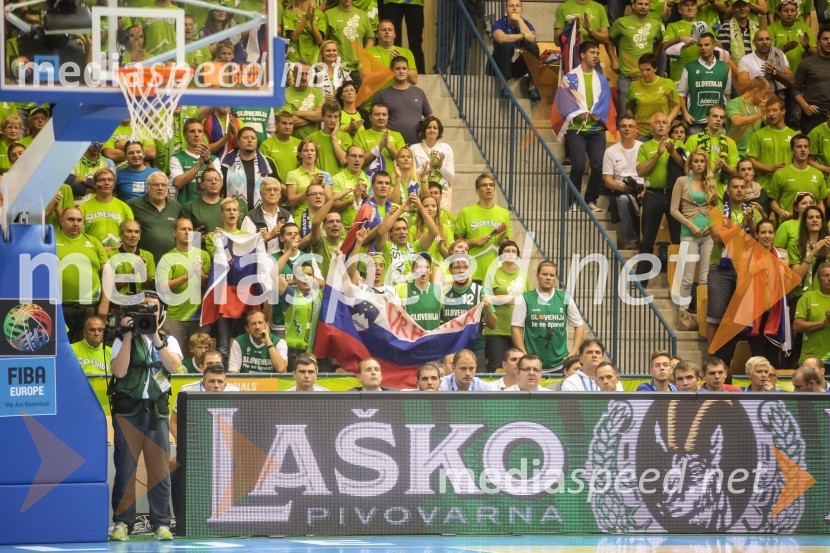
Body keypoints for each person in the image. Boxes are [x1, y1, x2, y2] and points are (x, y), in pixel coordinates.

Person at [109, 291, 182, 542]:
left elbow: (174, 367)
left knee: (159, 470)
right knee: (126, 470)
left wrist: (155, 338)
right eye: (145, 308)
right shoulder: (121, 338)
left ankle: (161, 523)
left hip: (157, 414)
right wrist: (129, 335)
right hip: (128, 414)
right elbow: (119, 372)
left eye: (154, 308)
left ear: (162, 312)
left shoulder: (169, 340)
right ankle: (122, 523)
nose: (150, 312)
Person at [706, 176, 763, 362]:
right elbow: (717, 238)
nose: (739, 190)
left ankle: (734, 360)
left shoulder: (752, 211)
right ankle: (711, 358)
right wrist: (741, 225)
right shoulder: (716, 211)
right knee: (716, 316)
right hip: (720, 268)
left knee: (740, 318)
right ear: (728, 191)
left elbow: (759, 236)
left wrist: (752, 223)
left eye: (742, 187)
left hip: (746, 268)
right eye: (735, 187)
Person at [670, 149, 718, 327]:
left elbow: (715, 209)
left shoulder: (711, 182)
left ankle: (703, 314)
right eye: (696, 161)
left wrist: (709, 226)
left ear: (706, 164)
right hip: (688, 233)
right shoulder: (682, 181)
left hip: (708, 234)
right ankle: (683, 314)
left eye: (702, 161)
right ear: (690, 163)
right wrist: (692, 226)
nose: (699, 164)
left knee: (706, 277)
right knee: (687, 277)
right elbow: (673, 209)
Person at [511, 260, 585, 372]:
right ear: (537, 276)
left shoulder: (565, 298)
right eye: (544, 274)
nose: (548, 278)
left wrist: (574, 352)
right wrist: (525, 355)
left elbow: (579, 325)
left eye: (552, 275)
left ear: (555, 278)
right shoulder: (524, 298)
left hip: (561, 364)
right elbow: (515, 329)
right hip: (533, 365)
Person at [562, 41, 609, 213]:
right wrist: (576, 113)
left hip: (596, 130)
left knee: (597, 166)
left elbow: (605, 101)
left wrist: (599, 115)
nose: (596, 55)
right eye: (592, 52)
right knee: (579, 166)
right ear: (582, 55)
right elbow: (563, 101)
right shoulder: (570, 77)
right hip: (577, 129)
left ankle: (590, 199)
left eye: (597, 53)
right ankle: (572, 201)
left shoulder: (602, 79)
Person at [636, 112, 683, 279]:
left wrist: (673, 153)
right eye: (657, 122)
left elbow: (687, 168)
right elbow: (640, 171)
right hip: (653, 195)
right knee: (647, 239)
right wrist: (658, 154)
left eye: (665, 122)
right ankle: (642, 280)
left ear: (669, 127)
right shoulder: (645, 146)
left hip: (674, 196)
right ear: (651, 127)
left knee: (678, 239)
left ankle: (678, 279)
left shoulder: (678, 144)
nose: (661, 125)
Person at [155, 218, 211, 358]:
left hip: (200, 316)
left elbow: (210, 286)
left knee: (201, 357)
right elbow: (163, 288)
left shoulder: (203, 255)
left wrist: (199, 274)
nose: (187, 232)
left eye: (190, 229)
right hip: (174, 317)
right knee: (173, 356)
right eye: (183, 229)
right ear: (174, 233)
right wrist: (186, 276)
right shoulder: (167, 258)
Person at [56, 207, 108, 342]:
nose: (75, 224)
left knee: (87, 346)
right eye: (71, 219)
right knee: (60, 346)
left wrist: (104, 303)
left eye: (79, 220)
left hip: (89, 307)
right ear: (61, 221)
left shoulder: (94, 242)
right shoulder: (51, 240)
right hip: (60, 306)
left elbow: (108, 274)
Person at [454, 173, 512, 282]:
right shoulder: (466, 213)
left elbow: (506, 245)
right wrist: (473, 241)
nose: (488, 187)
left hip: (495, 273)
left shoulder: (504, 213)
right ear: (477, 190)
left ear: (494, 189)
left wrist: (501, 240)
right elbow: (456, 243)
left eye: (491, 185)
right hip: (472, 272)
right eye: (484, 185)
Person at [610, 0, 662, 118]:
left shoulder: (655, 24)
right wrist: (613, 58)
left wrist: (654, 59)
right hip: (626, 77)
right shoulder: (621, 22)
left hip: (647, 78)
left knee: (646, 115)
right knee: (624, 116)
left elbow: (660, 42)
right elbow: (609, 40)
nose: (643, 7)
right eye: (640, 4)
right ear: (633, 6)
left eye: (646, 4)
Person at [443, 254, 497, 364]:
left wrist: (487, 308)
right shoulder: (444, 292)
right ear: (450, 270)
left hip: (475, 350)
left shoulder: (481, 291)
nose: (461, 271)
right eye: (457, 267)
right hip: (451, 349)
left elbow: (493, 325)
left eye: (465, 267)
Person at [602, 114, 644, 250]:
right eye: (624, 126)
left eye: (630, 126)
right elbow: (607, 179)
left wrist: (646, 189)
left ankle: (647, 241)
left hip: (644, 187)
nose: (627, 129)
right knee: (622, 200)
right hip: (622, 188)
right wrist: (621, 187)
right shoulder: (610, 151)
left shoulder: (643, 147)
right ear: (619, 129)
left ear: (636, 130)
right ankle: (632, 239)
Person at [678, 34, 732, 134]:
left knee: (719, 149)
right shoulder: (690, 67)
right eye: (700, 45)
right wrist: (685, 113)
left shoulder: (725, 67)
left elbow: (727, 94)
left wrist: (726, 115)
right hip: (695, 120)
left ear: (714, 45)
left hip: (718, 122)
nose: (703, 48)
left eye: (706, 45)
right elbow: (681, 94)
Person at [99, 220, 157, 312]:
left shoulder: (148, 256)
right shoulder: (110, 256)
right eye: (129, 231)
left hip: (142, 307)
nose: (133, 235)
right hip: (118, 307)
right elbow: (109, 286)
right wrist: (132, 272)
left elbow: (151, 288)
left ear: (140, 236)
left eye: (136, 232)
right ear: (121, 235)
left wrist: (142, 273)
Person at [770, 135, 827, 224]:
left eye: (806, 146)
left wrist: (822, 222)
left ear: (809, 150)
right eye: (799, 146)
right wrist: (779, 211)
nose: (803, 149)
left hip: (811, 226)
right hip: (788, 224)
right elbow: (772, 201)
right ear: (792, 150)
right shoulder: (780, 174)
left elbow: (820, 202)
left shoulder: (818, 174)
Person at [491, 0, 541, 101]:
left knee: (533, 47)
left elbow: (531, 39)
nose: (514, 8)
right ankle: (504, 86)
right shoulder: (499, 24)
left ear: (521, 10)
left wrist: (519, 20)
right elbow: (501, 38)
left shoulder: (525, 24)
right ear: (506, 10)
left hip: (517, 65)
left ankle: (532, 86)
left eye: (517, 6)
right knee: (507, 45)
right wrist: (522, 36)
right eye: (511, 6)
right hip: (500, 63)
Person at [684, 106, 740, 196]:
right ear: (707, 119)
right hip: (698, 190)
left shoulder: (730, 143)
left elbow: (735, 171)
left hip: (720, 192)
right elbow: (686, 167)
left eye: (721, 117)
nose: (718, 119)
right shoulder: (693, 139)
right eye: (715, 116)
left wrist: (724, 167)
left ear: (724, 121)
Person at [128, 173, 182, 265]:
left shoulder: (175, 206)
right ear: (148, 187)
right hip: (143, 261)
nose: (160, 188)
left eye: (163, 185)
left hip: (171, 262)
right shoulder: (133, 205)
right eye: (156, 185)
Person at [221, 126, 275, 212]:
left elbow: (275, 189)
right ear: (238, 141)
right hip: (234, 215)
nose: (250, 140)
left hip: (261, 214)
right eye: (245, 138)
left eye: (253, 138)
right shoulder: (226, 164)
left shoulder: (267, 163)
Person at [626, 54, 681, 138]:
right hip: (641, 132)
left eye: (648, 69)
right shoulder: (634, 86)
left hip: (662, 131)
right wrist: (633, 125)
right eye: (642, 70)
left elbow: (676, 105)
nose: (645, 73)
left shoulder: (667, 83)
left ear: (655, 68)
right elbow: (629, 108)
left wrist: (668, 120)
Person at [78, 168, 135, 249]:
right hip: (93, 253)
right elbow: (80, 236)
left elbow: (131, 235)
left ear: (114, 184)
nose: (107, 183)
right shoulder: (83, 208)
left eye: (110, 180)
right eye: (102, 180)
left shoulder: (124, 207)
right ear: (94, 184)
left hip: (118, 254)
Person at [170, 119, 220, 205]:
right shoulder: (177, 158)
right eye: (192, 131)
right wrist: (199, 164)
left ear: (203, 135)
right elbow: (178, 183)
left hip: (209, 208)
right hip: (185, 208)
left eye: (200, 131)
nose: (196, 134)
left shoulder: (214, 159)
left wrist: (207, 161)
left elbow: (220, 184)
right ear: (185, 135)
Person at [411, 116, 456, 211]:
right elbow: (412, 174)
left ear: (439, 131)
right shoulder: (414, 148)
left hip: (442, 194)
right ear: (424, 130)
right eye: (429, 127)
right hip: (422, 191)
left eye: (435, 128)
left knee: (442, 222)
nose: (432, 130)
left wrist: (440, 166)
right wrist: (430, 167)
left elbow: (451, 177)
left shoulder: (446, 148)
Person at [240, 178, 294, 255]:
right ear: (261, 194)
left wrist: (285, 234)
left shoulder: (287, 216)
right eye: (268, 189)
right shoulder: (250, 217)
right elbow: (246, 248)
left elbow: (294, 242)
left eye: (276, 190)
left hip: (283, 260)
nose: (272, 193)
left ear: (280, 194)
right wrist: (270, 236)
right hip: (259, 261)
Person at [325, 0, 374, 84]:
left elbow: (370, 38)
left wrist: (364, 56)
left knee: (359, 96)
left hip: (358, 68)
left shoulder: (362, 15)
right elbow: (324, 41)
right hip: (337, 68)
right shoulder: (328, 14)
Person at [793, 28, 830, 134]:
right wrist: (805, 106)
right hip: (813, 114)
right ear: (818, 41)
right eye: (825, 39)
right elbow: (794, 89)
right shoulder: (807, 63)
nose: (829, 42)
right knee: (811, 149)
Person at [736, 30, 793, 100]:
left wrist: (775, 73)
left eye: (767, 39)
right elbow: (742, 87)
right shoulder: (746, 60)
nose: (765, 42)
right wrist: (766, 77)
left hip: (777, 100)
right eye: (760, 40)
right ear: (754, 43)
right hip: (756, 101)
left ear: (771, 41)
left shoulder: (779, 55)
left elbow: (791, 81)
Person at [663, 0, 709, 84]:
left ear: (696, 8)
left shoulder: (703, 25)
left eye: (692, 5)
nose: (690, 8)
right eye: (686, 5)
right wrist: (680, 38)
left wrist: (706, 42)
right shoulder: (673, 26)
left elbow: (717, 45)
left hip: (703, 76)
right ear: (679, 9)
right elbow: (665, 46)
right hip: (679, 77)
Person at [354, 103, 406, 175]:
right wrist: (378, 148)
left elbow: (404, 161)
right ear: (370, 118)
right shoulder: (360, 136)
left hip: (393, 183)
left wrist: (389, 147)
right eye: (377, 114)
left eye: (384, 115)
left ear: (388, 117)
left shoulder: (397, 135)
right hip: (368, 183)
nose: (381, 118)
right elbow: (358, 161)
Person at [794, 262, 830, 364]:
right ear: (818, 279)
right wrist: (823, 323)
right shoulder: (807, 297)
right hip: (811, 358)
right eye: (826, 275)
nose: (829, 279)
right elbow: (797, 326)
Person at [727, 76, 769, 159]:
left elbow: (771, 123)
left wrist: (770, 108)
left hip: (753, 154)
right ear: (756, 91)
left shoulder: (760, 106)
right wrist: (760, 114)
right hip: (735, 153)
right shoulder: (734, 103)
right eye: (765, 93)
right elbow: (737, 121)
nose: (766, 97)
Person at [330, 145, 371, 229]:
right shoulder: (336, 179)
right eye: (353, 156)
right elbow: (334, 206)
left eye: (360, 156)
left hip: (365, 228)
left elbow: (374, 203)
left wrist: (365, 196)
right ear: (346, 158)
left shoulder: (369, 179)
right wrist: (354, 198)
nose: (357, 159)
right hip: (344, 228)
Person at [308, 100, 351, 176]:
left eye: (336, 117)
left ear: (339, 118)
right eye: (329, 116)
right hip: (319, 182)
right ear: (323, 117)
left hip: (339, 183)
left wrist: (334, 137)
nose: (333, 120)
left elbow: (344, 160)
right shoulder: (312, 138)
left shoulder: (345, 137)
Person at [285, 61, 325, 140]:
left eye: (307, 74)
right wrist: (313, 116)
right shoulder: (284, 94)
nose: (304, 78)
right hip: (293, 143)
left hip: (314, 143)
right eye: (301, 74)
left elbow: (321, 115)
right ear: (294, 74)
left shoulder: (317, 93)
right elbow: (288, 122)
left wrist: (296, 113)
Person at [259, 110, 301, 184]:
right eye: (284, 123)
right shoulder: (266, 145)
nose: (287, 127)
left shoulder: (299, 144)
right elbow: (263, 173)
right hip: (274, 189)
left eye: (290, 124)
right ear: (276, 125)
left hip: (296, 189)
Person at [182, 167, 226, 237]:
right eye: (209, 180)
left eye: (216, 179)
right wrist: (205, 238)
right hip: (199, 247)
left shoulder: (229, 206)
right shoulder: (190, 207)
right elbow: (184, 236)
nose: (213, 182)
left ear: (221, 183)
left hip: (226, 247)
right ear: (202, 185)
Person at [717, 0, 758, 69]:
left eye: (744, 5)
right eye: (738, 6)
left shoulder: (756, 27)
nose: (742, 9)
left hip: (755, 70)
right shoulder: (725, 28)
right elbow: (724, 55)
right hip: (734, 70)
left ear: (749, 8)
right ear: (733, 9)